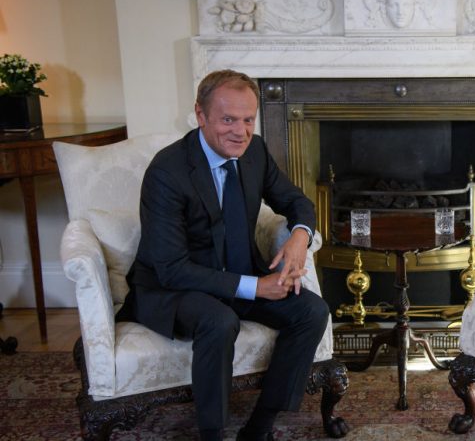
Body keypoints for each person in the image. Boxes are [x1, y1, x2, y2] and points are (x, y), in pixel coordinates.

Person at [118, 69, 330, 441]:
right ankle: (212, 433)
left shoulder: (255, 152)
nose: (241, 131)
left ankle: (260, 426)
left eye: (248, 120)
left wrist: (300, 235)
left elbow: (297, 201)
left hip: (237, 274)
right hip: (173, 288)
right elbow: (170, 267)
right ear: (201, 116)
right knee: (218, 321)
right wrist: (257, 288)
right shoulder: (167, 172)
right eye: (228, 120)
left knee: (312, 311)